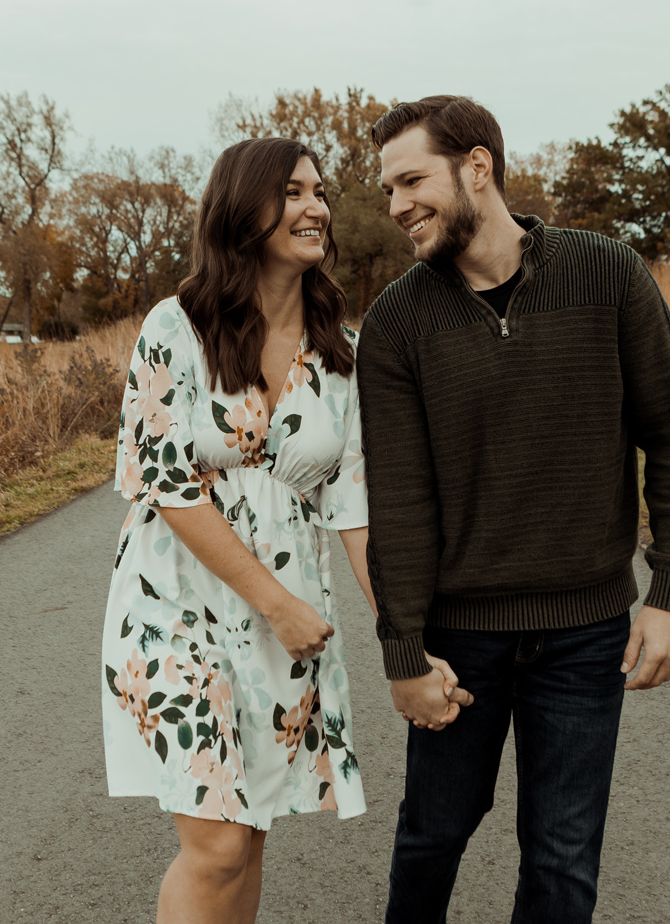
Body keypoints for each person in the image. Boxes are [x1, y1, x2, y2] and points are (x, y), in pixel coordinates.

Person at [358, 96, 670, 923]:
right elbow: (402, 498)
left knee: (561, 854)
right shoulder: (397, 322)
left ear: (477, 167)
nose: (396, 205)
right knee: (431, 837)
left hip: (586, 635)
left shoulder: (609, 274)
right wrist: (402, 650)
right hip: (460, 640)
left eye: (411, 180)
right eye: (387, 189)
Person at [100, 137, 462, 924]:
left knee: (248, 833)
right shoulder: (178, 325)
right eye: (293, 192)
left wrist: (402, 639)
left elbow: (357, 509)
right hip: (175, 609)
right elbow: (163, 482)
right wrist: (274, 602)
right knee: (217, 845)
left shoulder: (341, 352)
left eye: (321, 192)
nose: (317, 208)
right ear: (242, 207)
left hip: (282, 627)